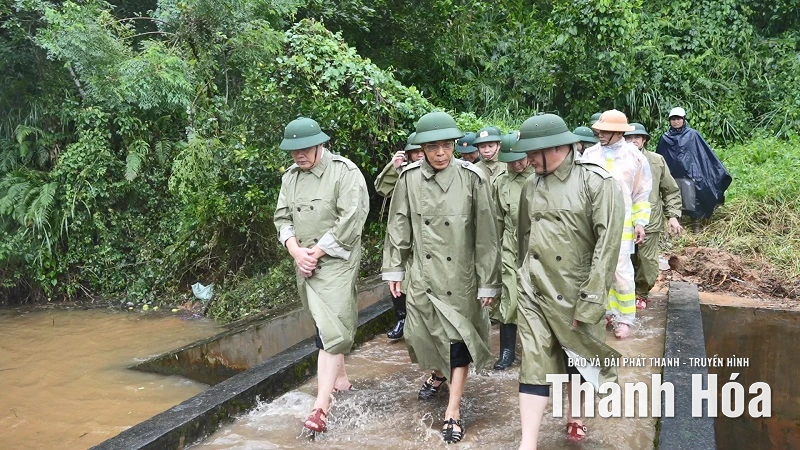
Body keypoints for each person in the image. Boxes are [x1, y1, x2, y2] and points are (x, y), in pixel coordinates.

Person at [382, 111, 501, 444]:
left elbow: (486, 235)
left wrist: (488, 280)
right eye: (432, 147)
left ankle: (453, 409)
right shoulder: (408, 179)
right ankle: (436, 374)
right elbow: (399, 225)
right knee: (423, 338)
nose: (440, 154)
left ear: (453, 145)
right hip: (423, 275)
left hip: (460, 276)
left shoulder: (472, 178)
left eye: (446, 146)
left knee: (458, 342)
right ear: (422, 148)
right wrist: (395, 268)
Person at [510, 113, 624, 448]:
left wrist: (592, 298)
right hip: (535, 290)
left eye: (533, 152)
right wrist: (522, 278)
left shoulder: (596, 183)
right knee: (534, 361)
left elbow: (608, 246)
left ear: (556, 147)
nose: (527, 159)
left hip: (577, 290)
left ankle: (576, 414)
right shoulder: (530, 185)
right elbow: (523, 237)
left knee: (578, 359)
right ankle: (527, 443)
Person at [273, 117, 369, 433]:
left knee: (331, 330)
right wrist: (296, 251)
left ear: (319, 144)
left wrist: (317, 252)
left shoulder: (345, 172)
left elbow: (352, 220)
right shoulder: (290, 178)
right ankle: (340, 381)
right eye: (293, 151)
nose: (299, 155)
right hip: (305, 263)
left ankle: (320, 407)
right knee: (324, 324)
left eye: (304, 149)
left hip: (337, 261)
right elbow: (282, 218)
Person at [582, 110, 652, 339]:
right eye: (599, 130)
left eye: (605, 131)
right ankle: (607, 313)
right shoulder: (589, 155)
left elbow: (641, 194)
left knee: (621, 273)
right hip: (593, 222)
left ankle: (625, 319)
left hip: (622, 224)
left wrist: (640, 223)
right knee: (597, 269)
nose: (599, 134)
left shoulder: (635, 157)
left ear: (619, 132)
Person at [625, 123, 684, 309]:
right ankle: (625, 292)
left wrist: (672, 216)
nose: (633, 141)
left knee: (646, 260)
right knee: (626, 259)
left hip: (650, 219)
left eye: (637, 138)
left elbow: (670, 190)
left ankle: (641, 293)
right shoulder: (618, 160)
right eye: (628, 138)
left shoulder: (656, 160)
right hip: (623, 219)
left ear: (644, 140)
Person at [374, 132, 425, 340]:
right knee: (397, 276)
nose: (420, 156)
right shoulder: (403, 173)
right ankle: (401, 318)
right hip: (401, 232)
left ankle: (421, 323)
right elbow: (382, 189)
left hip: (424, 232)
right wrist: (393, 167)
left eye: (423, 151)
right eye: (416, 152)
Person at [491, 131, 534, 370]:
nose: (517, 164)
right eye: (511, 160)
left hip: (538, 244)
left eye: (521, 158)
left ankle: (538, 350)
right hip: (509, 244)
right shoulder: (500, 182)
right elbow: (496, 220)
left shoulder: (540, 177)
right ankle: (507, 351)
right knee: (510, 295)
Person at [656, 107, 732, 232]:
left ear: (683, 119)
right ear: (669, 121)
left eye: (678, 118)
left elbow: (703, 154)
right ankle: (676, 226)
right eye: (673, 119)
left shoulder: (692, 135)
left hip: (690, 174)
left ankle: (695, 224)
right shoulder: (665, 138)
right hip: (672, 174)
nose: (676, 121)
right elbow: (660, 157)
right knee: (674, 197)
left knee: (693, 198)